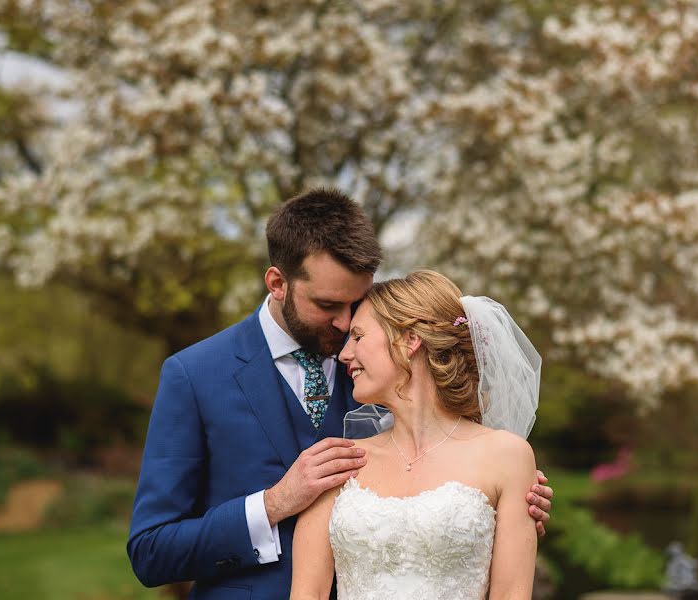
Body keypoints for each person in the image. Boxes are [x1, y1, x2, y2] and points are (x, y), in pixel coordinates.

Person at [127, 189, 553, 599]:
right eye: (329, 305)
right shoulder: (195, 375)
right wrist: (273, 504)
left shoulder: (380, 370)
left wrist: (499, 509)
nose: (344, 323)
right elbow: (151, 551)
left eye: (357, 304)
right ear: (278, 283)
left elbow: (444, 467)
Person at [291, 270, 541, 600]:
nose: (344, 354)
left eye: (359, 336)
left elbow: (511, 594)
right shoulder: (338, 461)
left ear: (409, 340)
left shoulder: (508, 456)